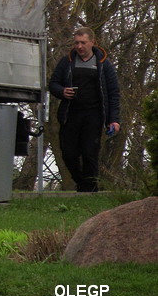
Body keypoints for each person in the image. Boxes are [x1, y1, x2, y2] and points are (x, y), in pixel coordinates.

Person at [49, 27, 121, 192]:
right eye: (76, 43)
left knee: (89, 153)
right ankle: (81, 182)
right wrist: (62, 91)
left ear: (92, 43)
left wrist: (114, 119)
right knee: (68, 153)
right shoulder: (66, 62)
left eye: (83, 43)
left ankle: (90, 189)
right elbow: (53, 84)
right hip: (70, 114)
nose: (79, 46)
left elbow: (113, 93)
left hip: (94, 114)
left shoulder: (103, 64)